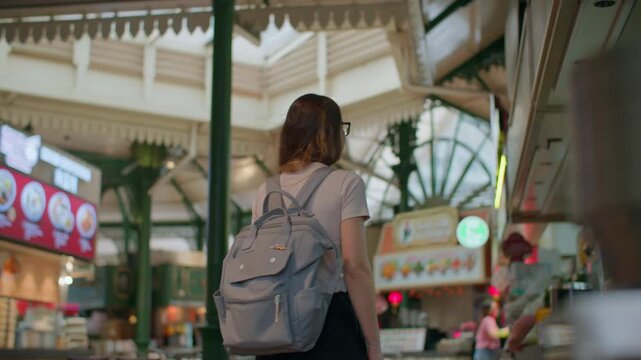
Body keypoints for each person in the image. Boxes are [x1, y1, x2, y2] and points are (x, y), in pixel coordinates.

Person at [252, 94, 383, 360]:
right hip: (329, 321)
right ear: (332, 133)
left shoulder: (265, 191)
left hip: (275, 324)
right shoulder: (346, 183)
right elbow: (355, 267)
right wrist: (373, 345)